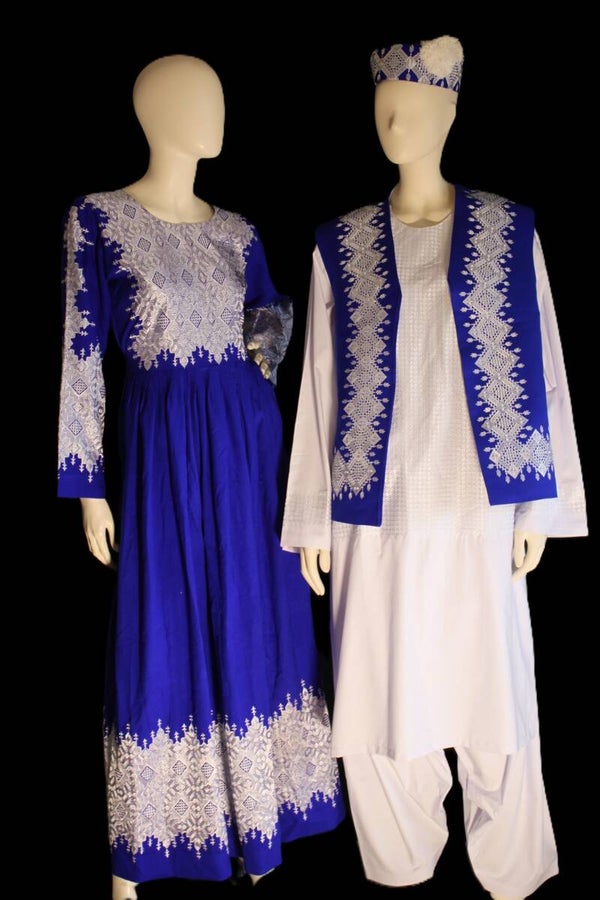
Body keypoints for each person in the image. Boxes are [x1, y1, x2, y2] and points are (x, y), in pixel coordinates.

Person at [280, 35, 587, 900]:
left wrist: (539, 507)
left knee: (494, 689)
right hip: (373, 515)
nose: (394, 120)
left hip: (476, 505)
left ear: (451, 112)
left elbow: (546, 369)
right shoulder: (340, 243)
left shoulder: (508, 230)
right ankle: (401, 864)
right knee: (383, 690)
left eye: (413, 105)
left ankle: (513, 865)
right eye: (384, 103)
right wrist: (310, 518)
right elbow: (318, 386)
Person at [57, 54, 344, 900]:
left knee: (255, 618)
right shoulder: (98, 219)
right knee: (164, 623)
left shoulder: (240, 232)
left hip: (250, 456)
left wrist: (267, 356)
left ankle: (259, 826)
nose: (214, 113)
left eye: (217, 98)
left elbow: (270, 329)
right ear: (152, 111)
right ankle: (142, 853)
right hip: (164, 452)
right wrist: (88, 484)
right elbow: (81, 353)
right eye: (197, 99)